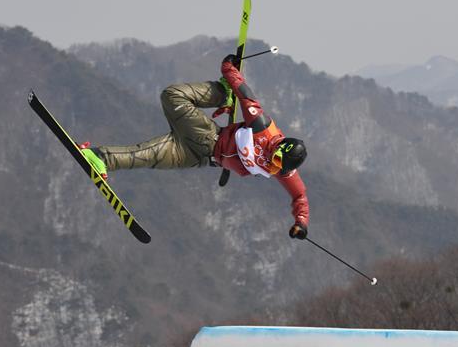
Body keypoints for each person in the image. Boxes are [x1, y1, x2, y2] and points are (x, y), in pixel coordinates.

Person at [79, 55, 309, 239]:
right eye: (276, 160)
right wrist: (228, 72)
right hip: (207, 137)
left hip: (199, 157)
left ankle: (99, 157)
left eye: (278, 169)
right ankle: (220, 94)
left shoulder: (283, 169)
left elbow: (299, 195)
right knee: (172, 95)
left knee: (147, 156)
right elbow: (246, 94)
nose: (273, 166)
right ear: (279, 146)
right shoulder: (262, 127)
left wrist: (300, 223)